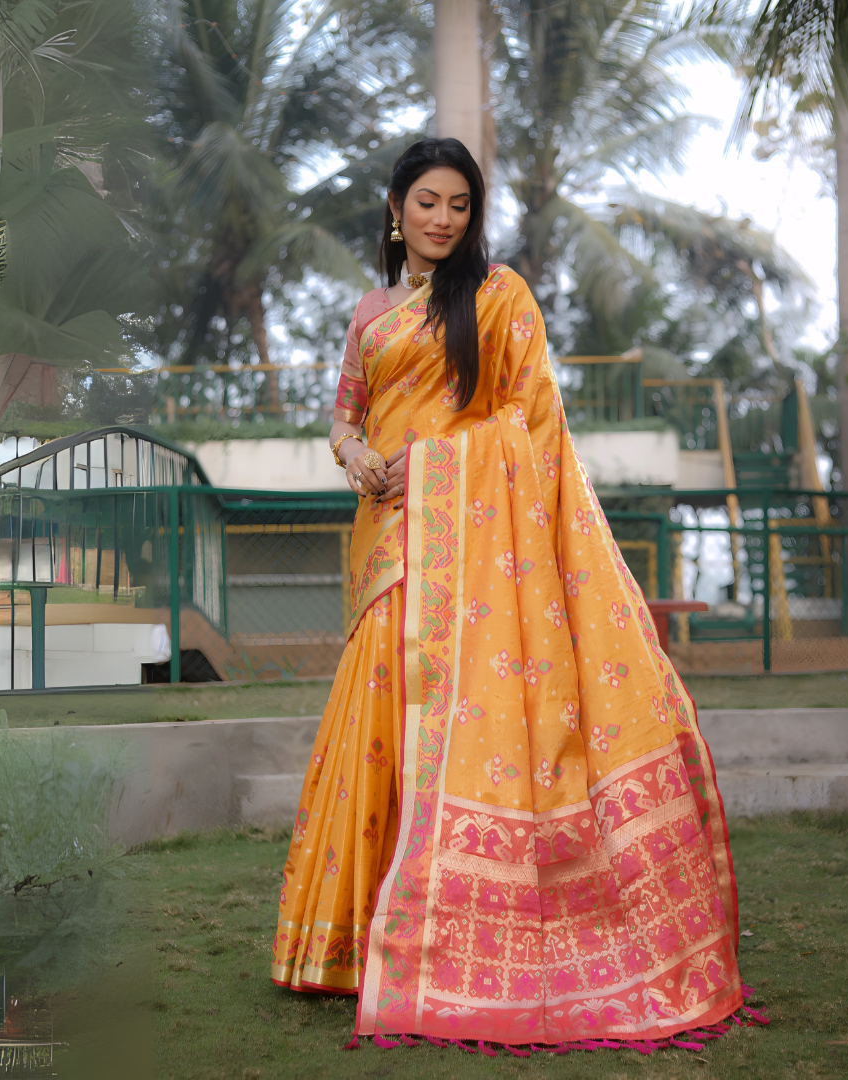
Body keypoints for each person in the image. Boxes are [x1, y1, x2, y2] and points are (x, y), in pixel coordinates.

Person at [271, 137, 743, 1047]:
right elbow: (347, 409)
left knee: (454, 718)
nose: (443, 219)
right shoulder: (371, 311)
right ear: (395, 208)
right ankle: (349, 941)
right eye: (427, 203)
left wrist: (439, 464)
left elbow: (530, 424)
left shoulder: (498, 297)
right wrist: (355, 453)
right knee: (384, 716)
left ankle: (442, 934)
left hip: (476, 545)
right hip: (390, 539)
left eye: (459, 205)